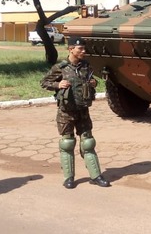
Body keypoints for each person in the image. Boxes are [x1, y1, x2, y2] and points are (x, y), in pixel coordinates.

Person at [40, 36, 110, 189]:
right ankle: (69, 178)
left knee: (88, 143)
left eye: (84, 48)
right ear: (71, 49)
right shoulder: (61, 67)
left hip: (83, 111)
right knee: (67, 143)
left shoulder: (86, 66)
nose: (84, 51)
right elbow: (44, 82)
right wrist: (58, 84)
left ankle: (96, 176)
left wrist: (94, 83)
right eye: (81, 49)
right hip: (66, 112)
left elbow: (93, 81)